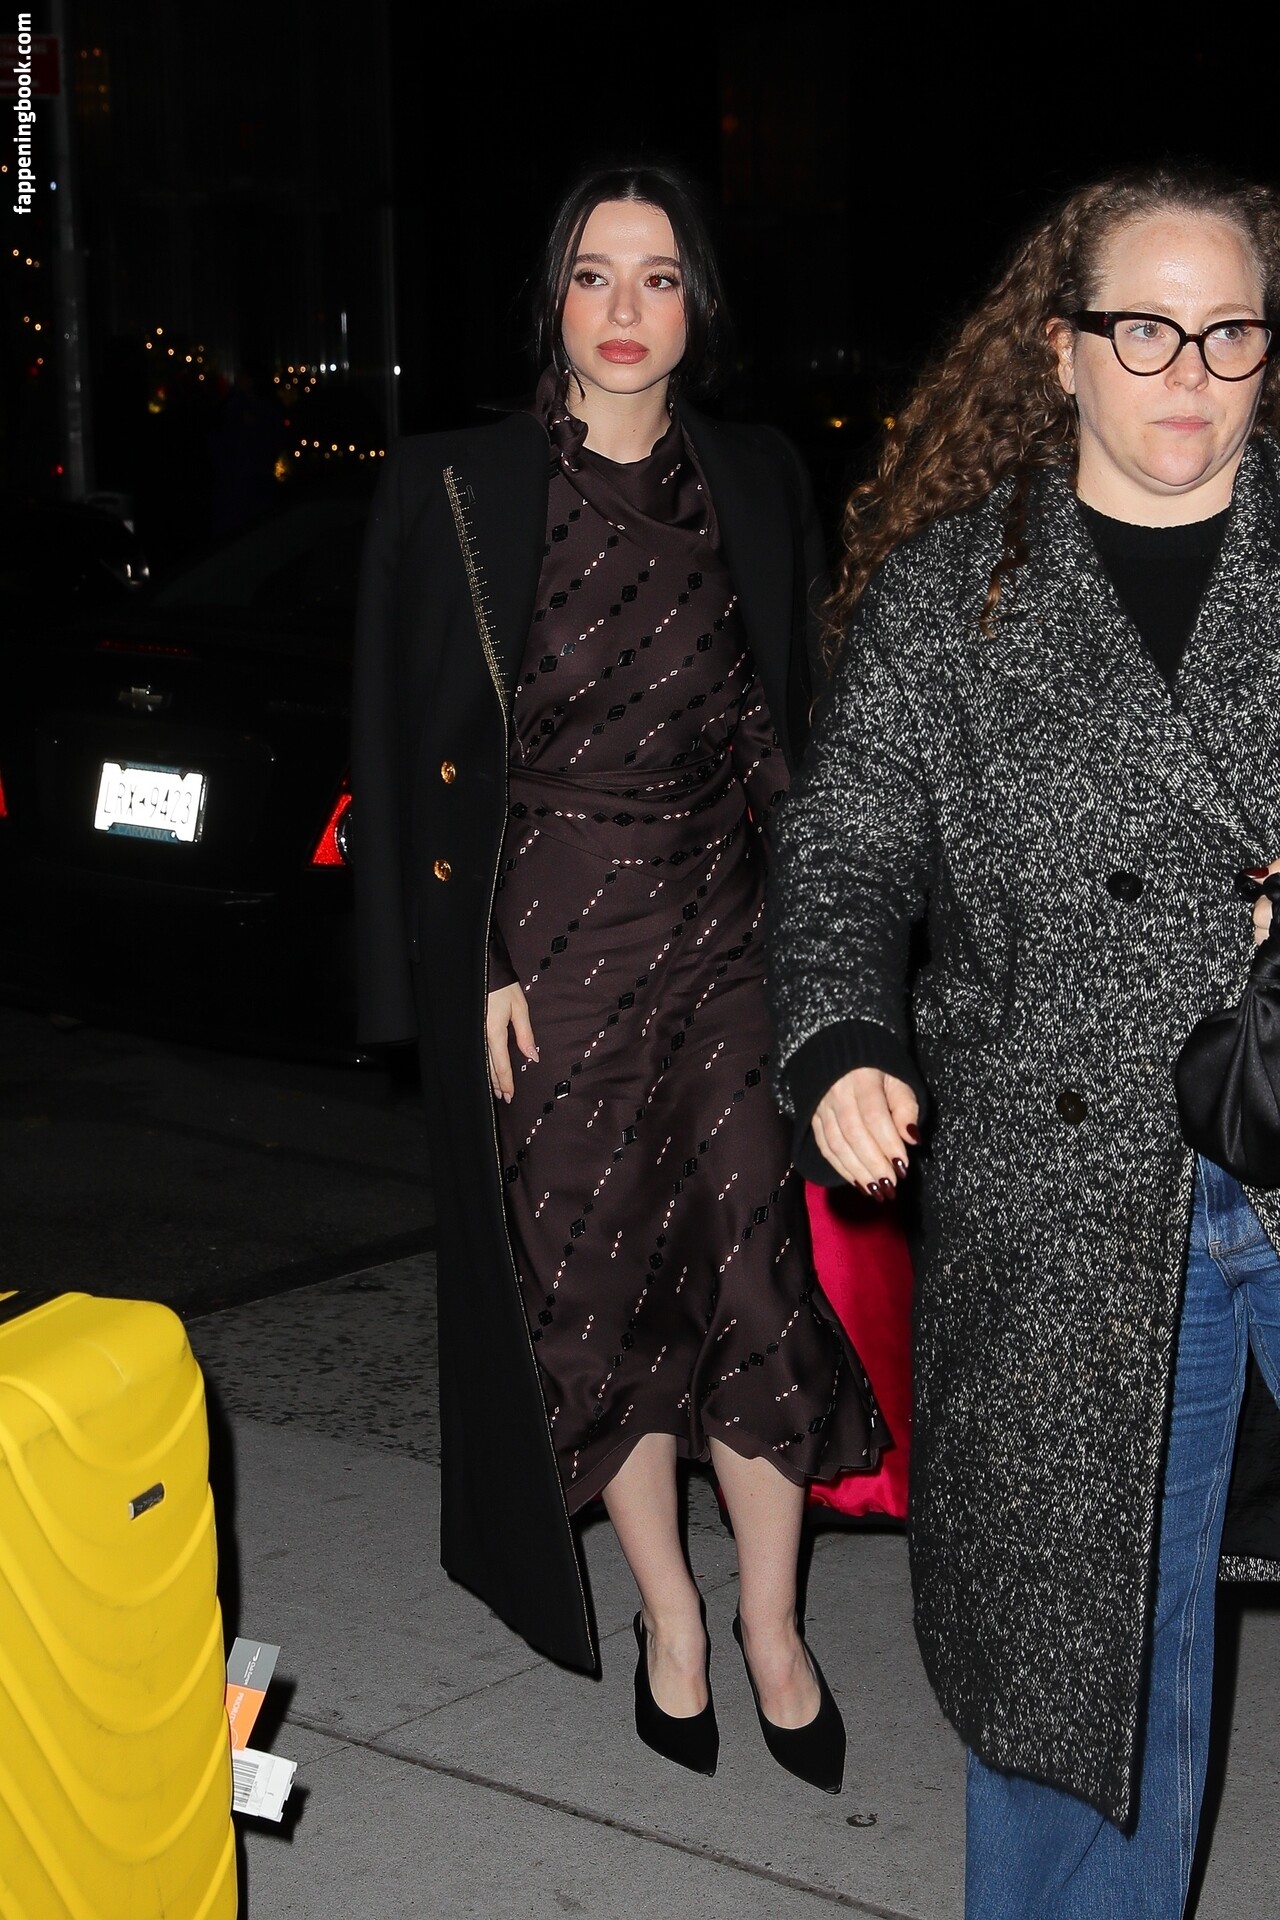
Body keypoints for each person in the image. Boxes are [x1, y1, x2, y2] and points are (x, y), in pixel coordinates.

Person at [768, 163, 1280, 1914]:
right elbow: (845, 848)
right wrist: (844, 1037)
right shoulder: (953, 597)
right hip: (1067, 1203)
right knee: (1084, 1673)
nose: (1187, 372)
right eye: (1145, 329)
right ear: (1060, 348)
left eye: (1228, 332)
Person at [352, 161, 890, 1790]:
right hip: (550, 953)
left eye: (659, 277)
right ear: (555, 299)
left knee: (759, 1285)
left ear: (697, 304)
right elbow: (403, 753)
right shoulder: (454, 485)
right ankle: (669, 1616)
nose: (627, 308)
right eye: (596, 274)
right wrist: (461, 969)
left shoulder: (758, 475)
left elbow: (791, 725)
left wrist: (842, 953)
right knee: (605, 1298)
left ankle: (775, 1629)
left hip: (729, 936)